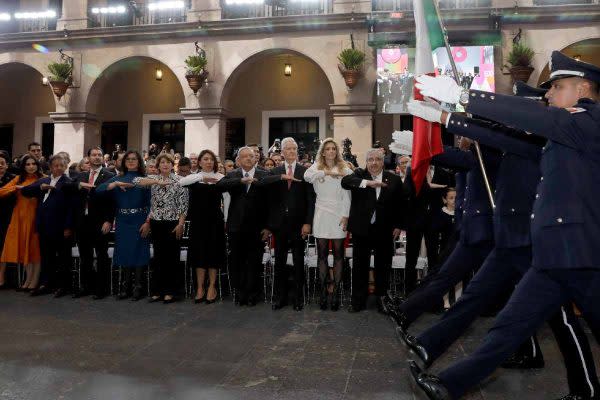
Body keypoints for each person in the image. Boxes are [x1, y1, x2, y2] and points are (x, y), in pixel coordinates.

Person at [407, 51, 600, 400]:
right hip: (555, 255)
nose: (549, 96)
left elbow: (529, 115)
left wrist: (465, 96)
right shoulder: (565, 130)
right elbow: (507, 138)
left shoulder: (588, 122)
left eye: (557, 88)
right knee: (509, 325)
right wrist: (448, 118)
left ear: (583, 88)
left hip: (584, 255)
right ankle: (451, 385)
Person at [341, 149, 405, 313]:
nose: (374, 163)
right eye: (370, 159)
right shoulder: (358, 174)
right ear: (366, 161)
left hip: (385, 229)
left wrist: (398, 224)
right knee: (359, 266)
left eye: (377, 159)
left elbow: (401, 204)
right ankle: (357, 302)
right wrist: (367, 183)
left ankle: (382, 301)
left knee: (383, 266)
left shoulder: (394, 179)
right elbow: (345, 182)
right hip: (361, 229)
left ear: (383, 162)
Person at [260, 138, 315, 311]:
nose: (291, 151)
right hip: (279, 225)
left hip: (299, 225)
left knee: (299, 263)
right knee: (280, 263)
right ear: (282, 152)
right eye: (288, 149)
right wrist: (281, 177)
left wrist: (308, 222)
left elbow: (311, 200)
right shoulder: (274, 171)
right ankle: (279, 297)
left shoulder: (305, 172)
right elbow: (262, 184)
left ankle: (298, 298)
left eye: (294, 148)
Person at [216, 147, 270, 306]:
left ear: (256, 159)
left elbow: (270, 203)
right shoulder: (233, 175)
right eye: (244, 156)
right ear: (238, 160)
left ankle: (253, 293)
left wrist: (268, 226)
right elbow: (220, 186)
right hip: (236, 226)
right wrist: (241, 181)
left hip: (257, 227)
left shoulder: (264, 175)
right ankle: (240, 293)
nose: (248, 159)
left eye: (251, 156)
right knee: (237, 261)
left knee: (254, 261)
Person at [304, 138, 352, 311]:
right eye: (328, 149)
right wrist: (326, 173)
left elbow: (348, 195)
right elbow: (306, 177)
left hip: (339, 212)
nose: (331, 151)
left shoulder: (345, 169)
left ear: (337, 151)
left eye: (334, 149)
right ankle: (324, 292)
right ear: (323, 152)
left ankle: (337, 293)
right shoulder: (315, 167)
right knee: (322, 255)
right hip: (321, 212)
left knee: (339, 255)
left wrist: (346, 215)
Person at [97, 150, 151, 301]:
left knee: (140, 251)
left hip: (140, 218)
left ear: (139, 162)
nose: (131, 161)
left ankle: (138, 287)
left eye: (134, 159)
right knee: (125, 251)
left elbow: (151, 204)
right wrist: (114, 184)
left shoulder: (144, 179)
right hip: (122, 219)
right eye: (128, 159)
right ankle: (125, 285)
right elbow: (99, 190)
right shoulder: (117, 177)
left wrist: (148, 222)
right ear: (124, 162)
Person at [134, 154, 188, 304]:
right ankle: (157, 291)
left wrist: (181, 224)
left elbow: (183, 205)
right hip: (156, 223)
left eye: (168, 162)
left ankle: (171, 292)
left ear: (173, 165)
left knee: (171, 258)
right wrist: (156, 181)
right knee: (158, 258)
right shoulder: (153, 180)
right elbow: (136, 181)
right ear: (158, 166)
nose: (165, 164)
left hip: (173, 223)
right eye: (162, 162)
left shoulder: (179, 181)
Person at [22, 155, 78, 298]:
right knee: (47, 258)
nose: (58, 167)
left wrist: (68, 227)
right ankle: (46, 284)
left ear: (65, 167)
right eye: (55, 165)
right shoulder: (44, 180)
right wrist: (40, 187)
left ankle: (63, 286)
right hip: (44, 226)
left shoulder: (68, 182)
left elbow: (72, 208)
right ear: (50, 167)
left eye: (61, 165)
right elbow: (25, 191)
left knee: (63, 259)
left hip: (61, 227)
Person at [179, 150, 228, 304]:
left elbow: (227, 200)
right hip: (198, 222)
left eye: (211, 159)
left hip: (216, 222)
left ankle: (212, 286)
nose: (208, 162)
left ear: (215, 162)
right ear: (199, 162)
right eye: (205, 159)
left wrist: (226, 219)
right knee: (199, 255)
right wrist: (203, 177)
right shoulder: (193, 178)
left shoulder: (221, 178)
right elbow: (181, 182)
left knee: (213, 254)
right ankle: (200, 287)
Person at [73, 147, 115, 299]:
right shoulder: (81, 175)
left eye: (99, 155)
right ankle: (85, 286)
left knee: (101, 256)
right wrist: (78, 185)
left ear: (103, 158)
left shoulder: (110, 175)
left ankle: (101, 289)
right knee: (85, 257)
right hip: (82, 222)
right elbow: (70, 189)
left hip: (100, 222)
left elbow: (112, 201)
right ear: (88, 158)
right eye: (94, 155)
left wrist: (109, 220)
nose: (97, 157)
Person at [0, 155, 43, 292]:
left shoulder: (43, 178)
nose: (31, 166)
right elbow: (1, 191)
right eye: (27, 164)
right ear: (23, 166)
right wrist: (16, 187)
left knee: (35, 250)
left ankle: (34, 281)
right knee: (26, 249)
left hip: (36, 216)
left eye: (33, 164)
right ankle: (27, 280)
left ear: (37, 164)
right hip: (19, 217)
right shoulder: (19, 179)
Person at [0, 152, 16, 289]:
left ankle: (1, 278)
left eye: (2, 163)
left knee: (3, 249)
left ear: (7, 165)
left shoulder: (13, 179)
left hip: (7, 218)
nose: (0, 166)